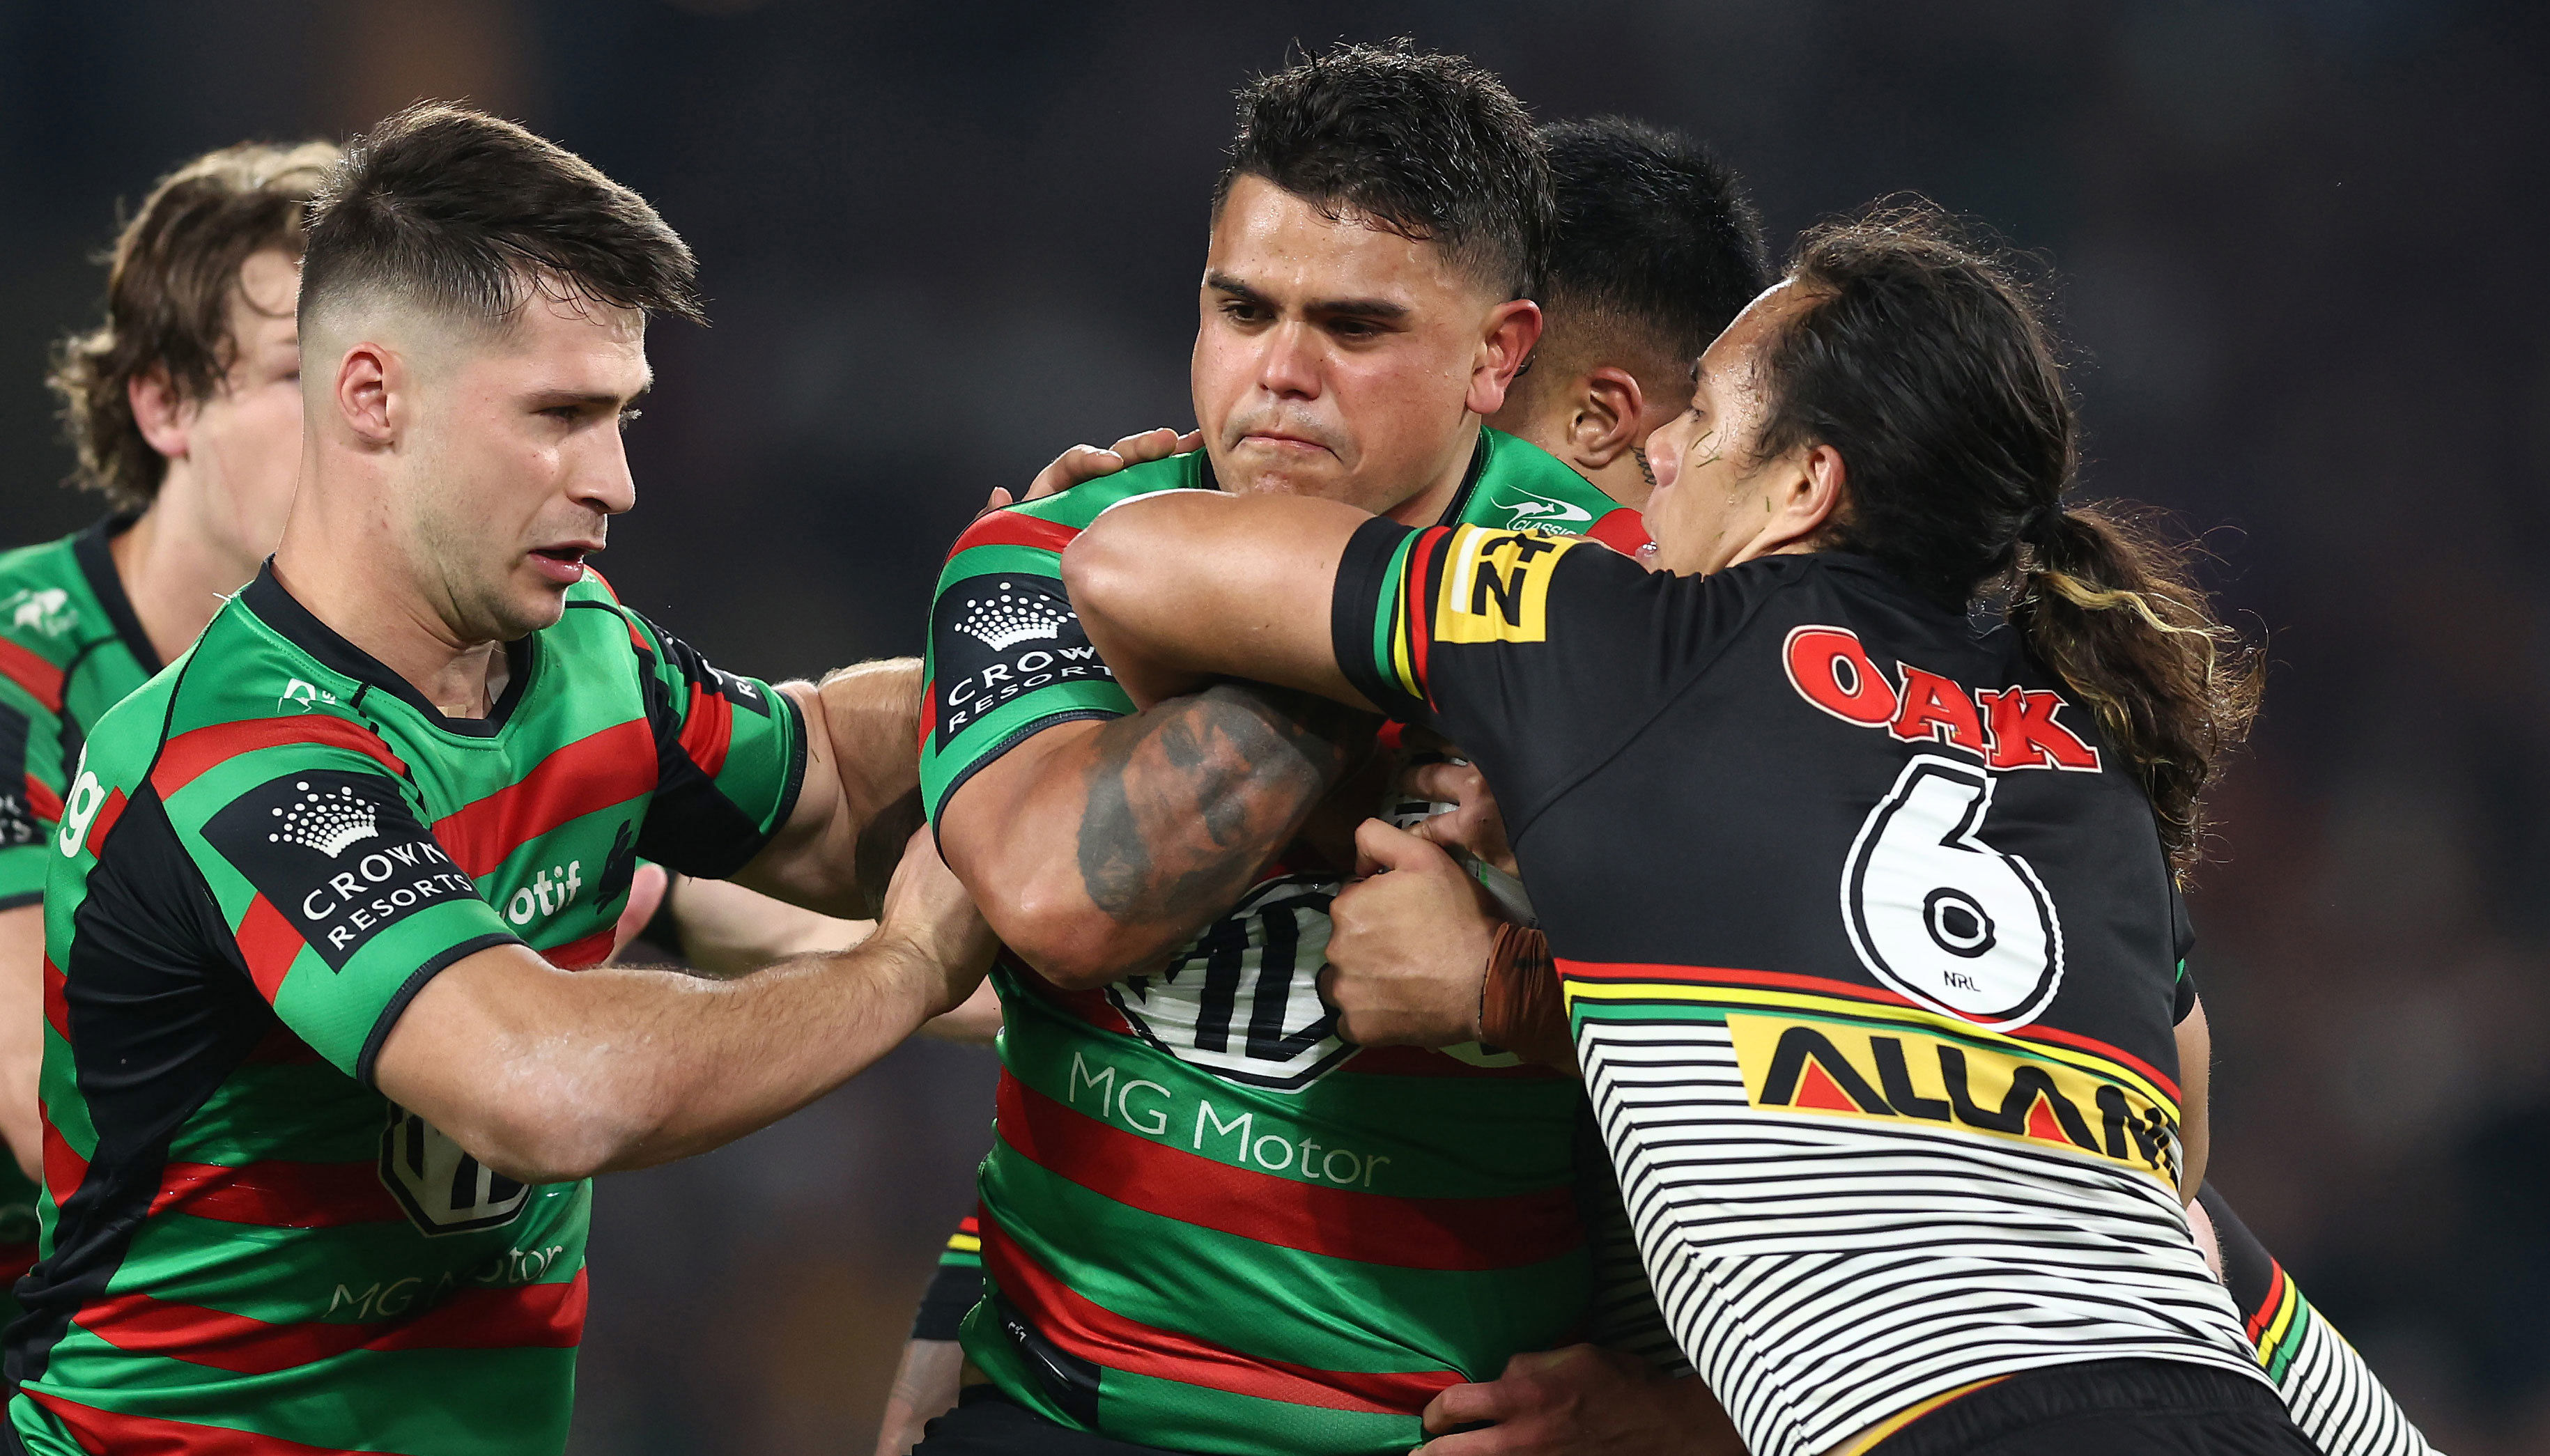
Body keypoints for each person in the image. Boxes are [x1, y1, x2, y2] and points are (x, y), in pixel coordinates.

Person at [1061, 205, 2318, 1453]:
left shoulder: (1616, 636)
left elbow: (1134, 560)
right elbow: (2176, 1147)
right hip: (2222, 1406)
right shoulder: (2078, 738)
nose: (1660, 449)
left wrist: (1501, 951)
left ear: (1804, 484)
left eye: (1705, 416)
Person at [6, 104, 992, 1456]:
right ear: (368, 396)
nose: (621, 479)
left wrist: (1040, 629)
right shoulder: (230, 749)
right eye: (561, 416)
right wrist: (902, 969)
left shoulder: (586, 655)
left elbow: (820, 764)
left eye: (624, 414)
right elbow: (544, 1085)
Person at [872, 111, 1770, 1456]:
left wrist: (1684, 1417)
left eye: (1353, 328)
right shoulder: (1051, 545)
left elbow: (1821, 1038)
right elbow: (1066, 900)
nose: (1278, 375)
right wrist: (1383, 640)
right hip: (1071, 1403)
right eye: (1244, 310)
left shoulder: (1647, 604)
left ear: (1496, 356)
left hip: (1444, 1425)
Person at [0, 139, 341, 1333]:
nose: (351, 422)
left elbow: (686, 889)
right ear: (163, 402)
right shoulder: (16, 667)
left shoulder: (362, 673)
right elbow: (45, 1110)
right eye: (297, 375)